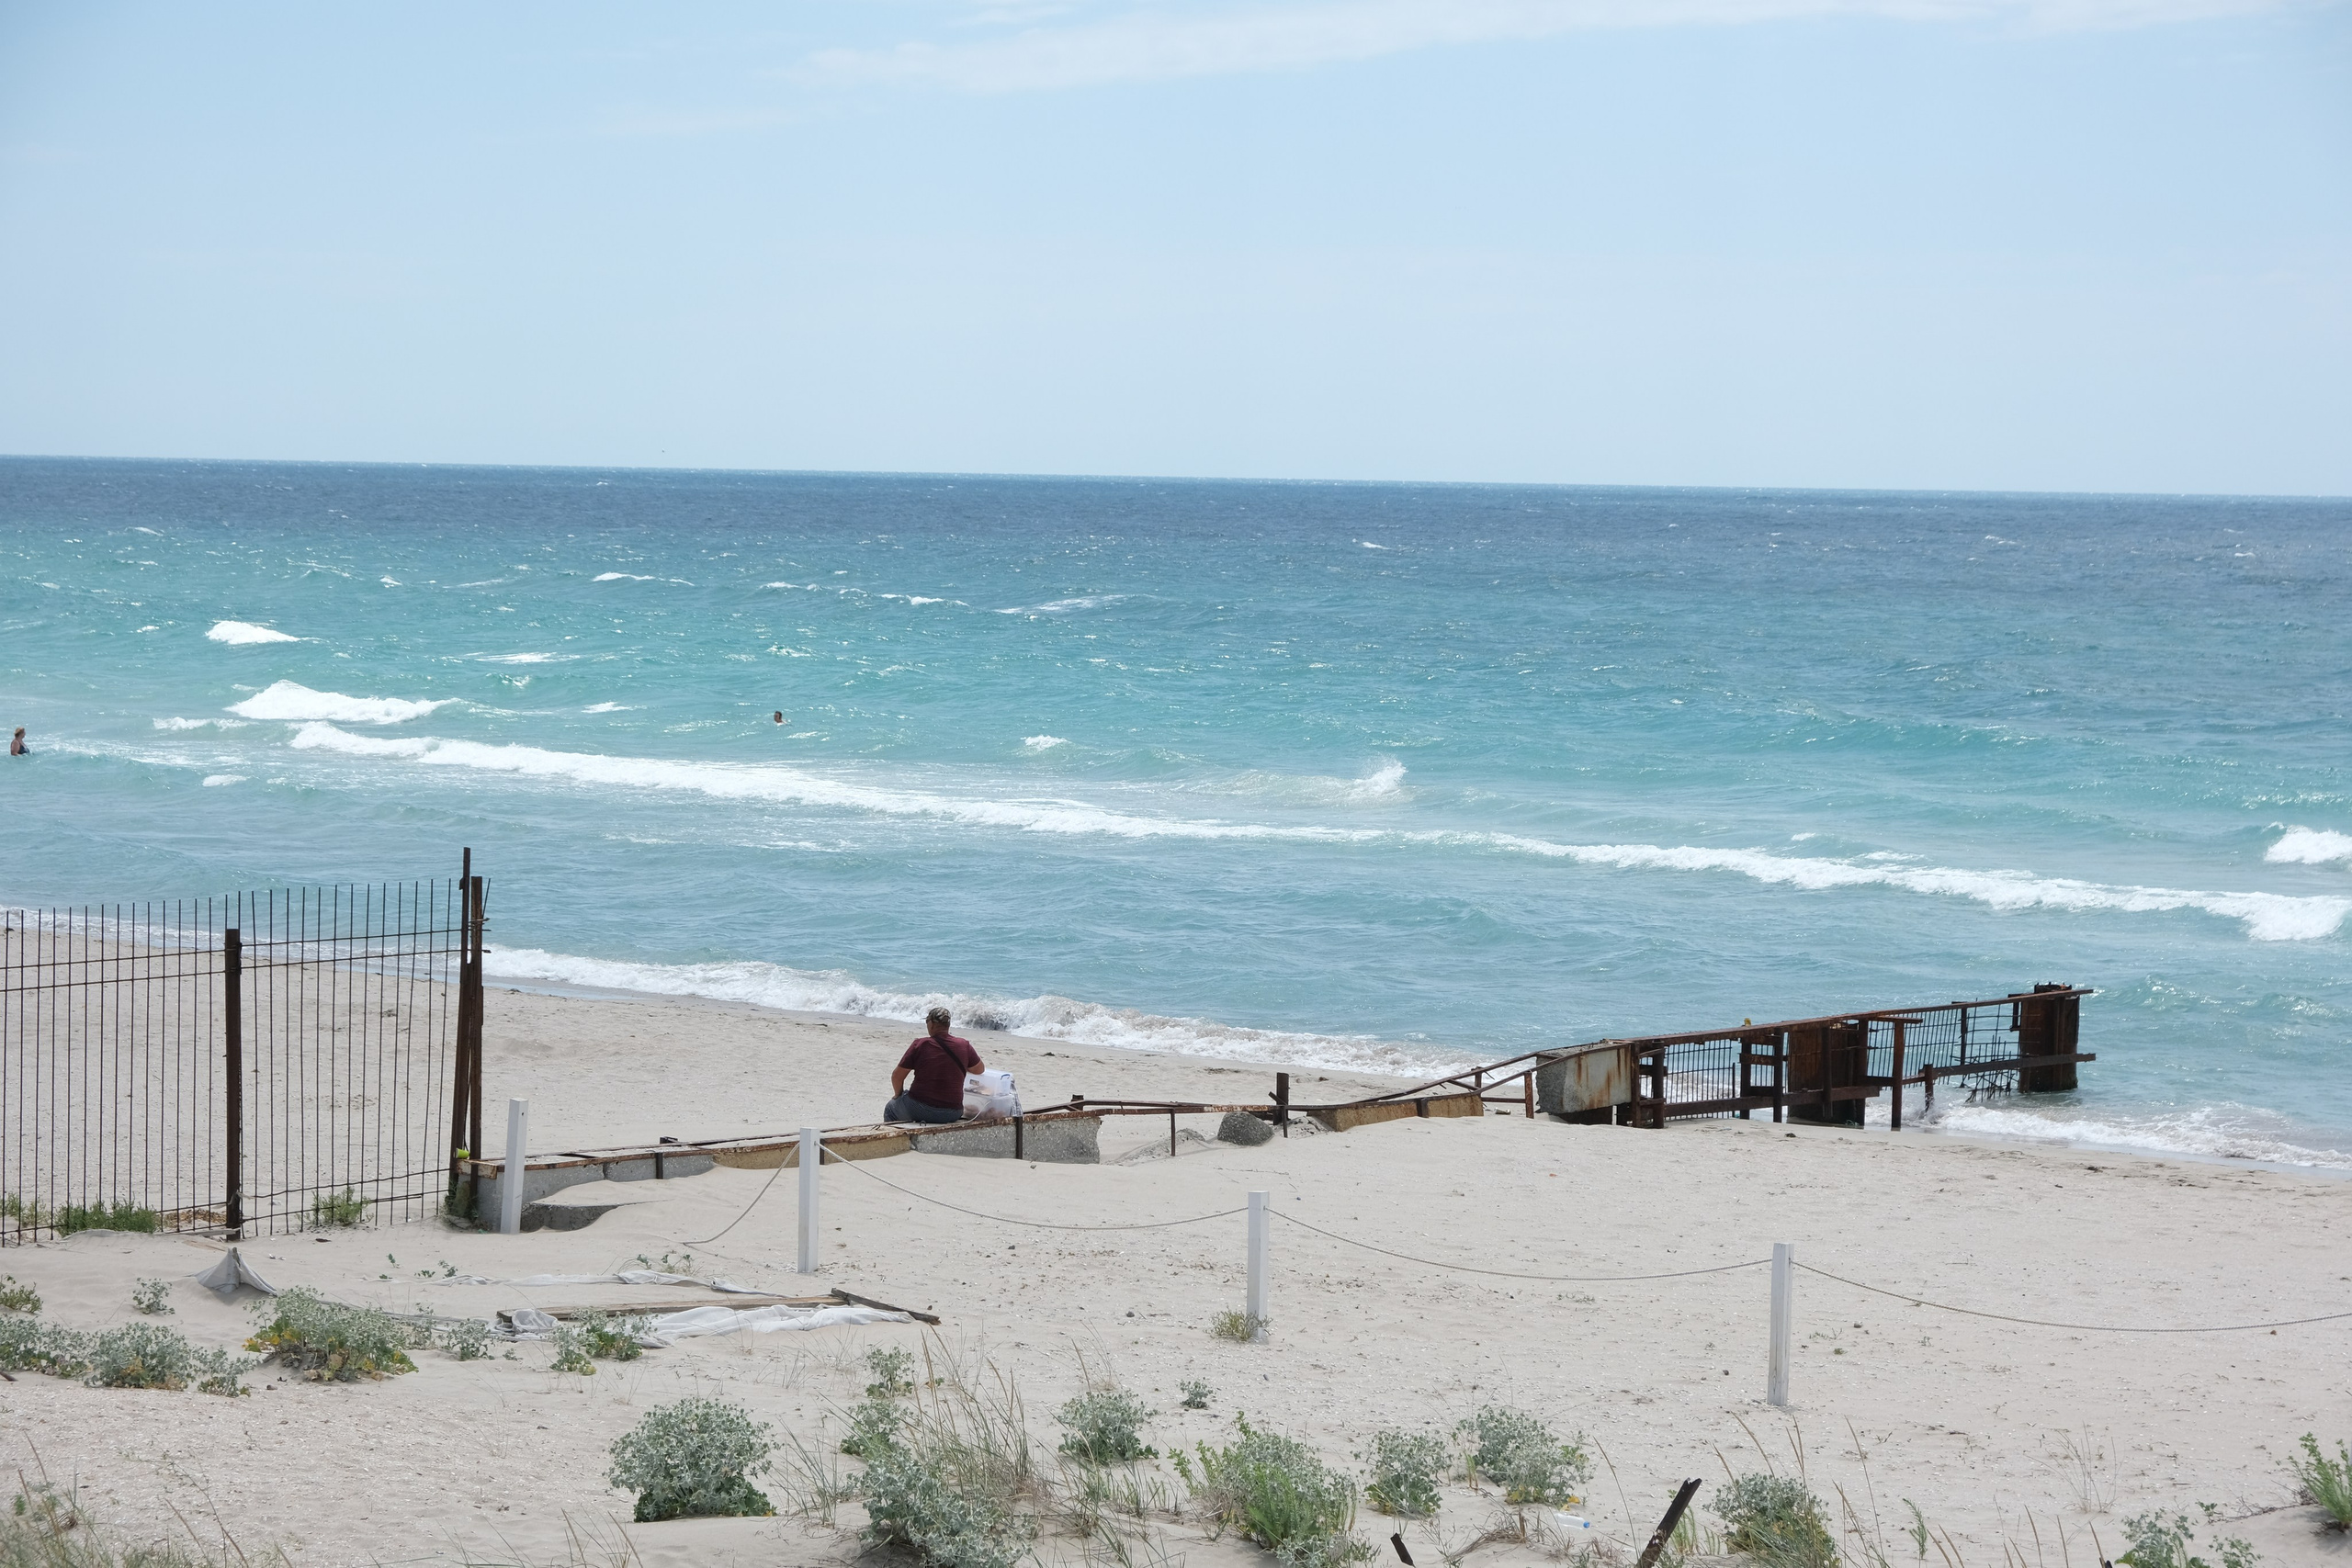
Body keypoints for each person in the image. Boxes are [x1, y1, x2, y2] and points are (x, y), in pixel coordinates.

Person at [884, 1006, 982, 1124]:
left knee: (890, 1108)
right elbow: (979, 1070)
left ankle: (897, 1141)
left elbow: (897, 1076)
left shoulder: (920, 1044)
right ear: (948, 1025)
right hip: (953, 1112)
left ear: (931, 1024)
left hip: (921, 1107)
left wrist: (898, 1095)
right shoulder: (964, 1045)